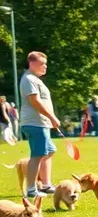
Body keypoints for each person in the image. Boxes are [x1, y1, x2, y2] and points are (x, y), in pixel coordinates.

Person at [19, 52, 61, 198]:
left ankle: (46, 184)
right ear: (32, 63)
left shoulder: (35, 79)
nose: (45, 66)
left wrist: (50, 120)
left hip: (41, 123)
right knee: (37, 155)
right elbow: (35, 102)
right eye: (42, 64)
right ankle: (31, 190)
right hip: (34, 123)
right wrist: (52, 117)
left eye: (45, 64)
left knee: (49, 151)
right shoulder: (29, 79)